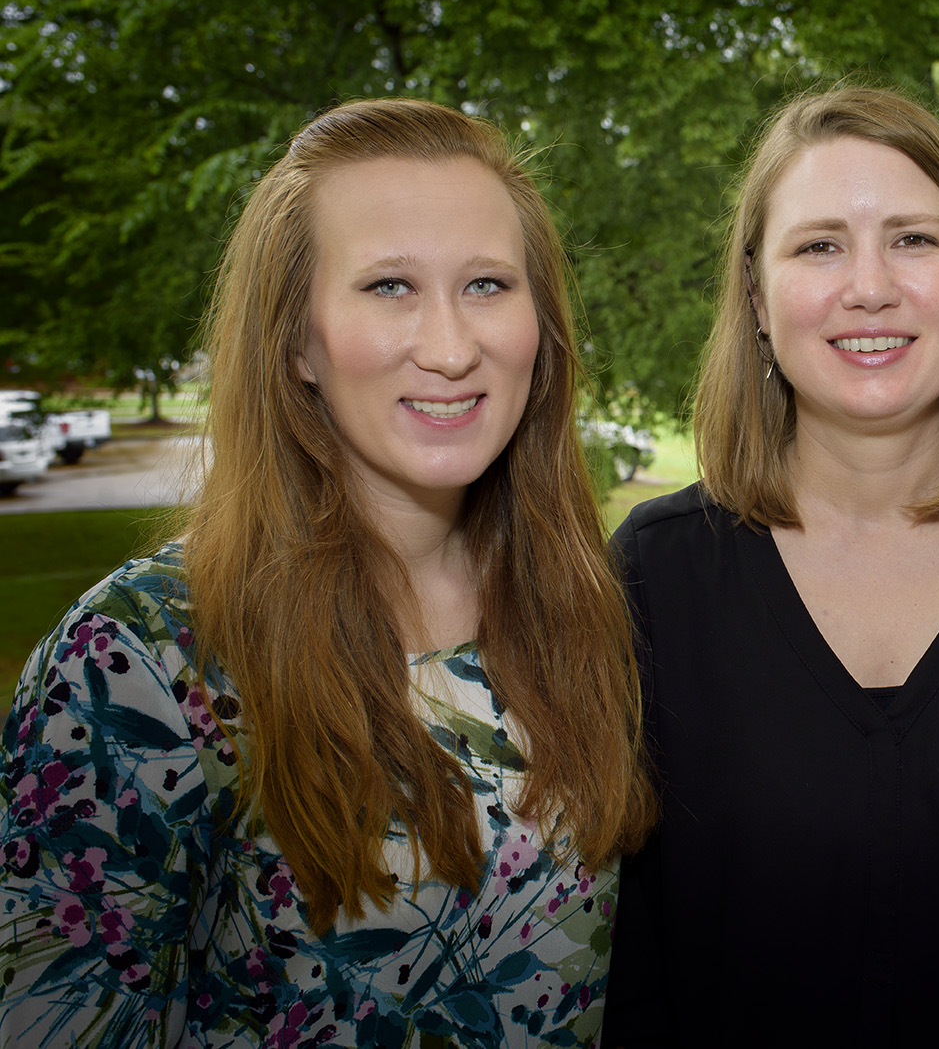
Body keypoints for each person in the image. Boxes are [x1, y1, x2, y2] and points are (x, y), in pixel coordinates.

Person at [0, 98, 655, 1046]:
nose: (450, 346)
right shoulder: (140, 661)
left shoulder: (587, 613)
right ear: (297, 341)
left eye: (487, 284)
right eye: (389, 285)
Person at [602, 87, 939, 1047]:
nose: (870, 286)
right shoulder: (655, 574)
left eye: (913, 239)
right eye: (819, 244)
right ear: (755, 296)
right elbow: (627, 963)